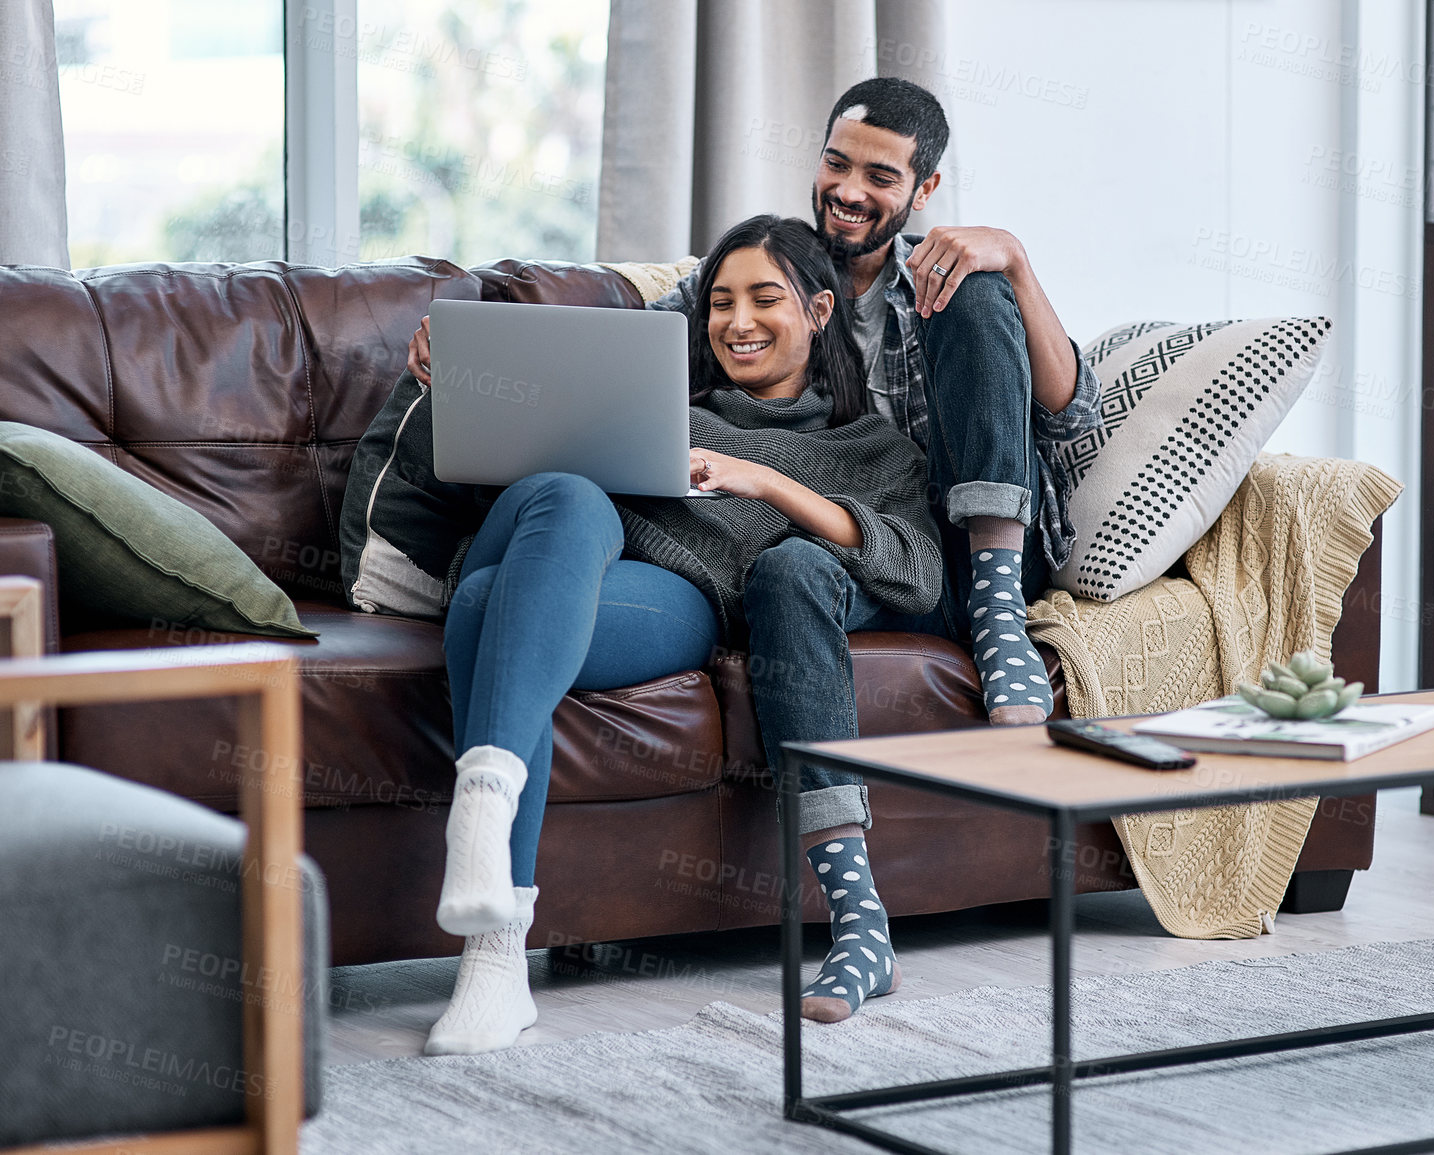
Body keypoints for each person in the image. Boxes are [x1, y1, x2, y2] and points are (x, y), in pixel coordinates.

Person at [410, 77, 1100, 727]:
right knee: (787, 567)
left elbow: (1072, 419)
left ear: (925, 189)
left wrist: (1013, 259)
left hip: (952, 541)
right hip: (838, 556)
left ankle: (995, 601)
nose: (849, 191)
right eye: (837, 163)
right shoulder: (762, 279)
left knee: (976, 282)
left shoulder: (939, 280)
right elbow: (607, 365)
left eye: (880, 177)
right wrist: (468, 353)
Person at [417, 215, 944, 1056]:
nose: (736, 322)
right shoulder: (658, 405)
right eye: (720, 303)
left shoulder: (870, 446)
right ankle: (489, 924)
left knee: (489, 609)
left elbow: (916, 568)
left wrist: (762, 480)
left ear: (816, 310)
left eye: (763, 299)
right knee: (564, 491)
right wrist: (455, 383)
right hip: (569, 547)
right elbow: (510, 481)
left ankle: (493, 930)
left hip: (675, 599)